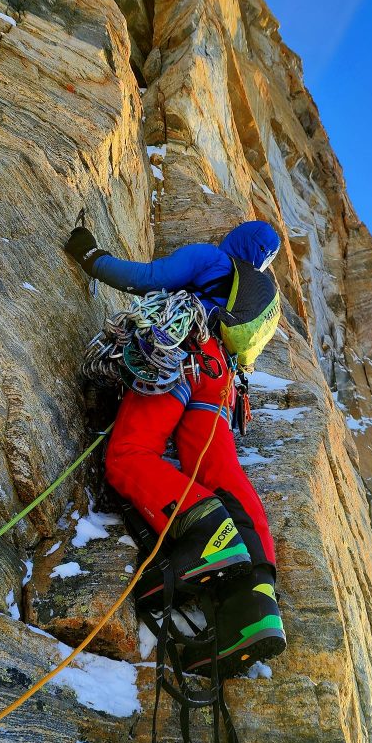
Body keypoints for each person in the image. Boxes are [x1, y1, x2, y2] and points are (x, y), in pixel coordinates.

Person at [65, 220, 286, 675]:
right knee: (224, 475)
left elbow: (147, 279)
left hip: (181, 355)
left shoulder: (213, 260)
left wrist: (91, 257)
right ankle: (256, 599)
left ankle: (211, 538)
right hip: (220, 381)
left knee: (129, 455)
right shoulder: (254, 297)